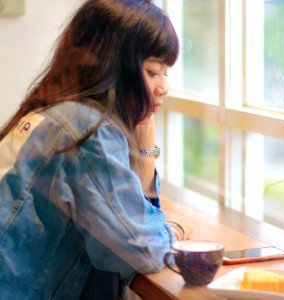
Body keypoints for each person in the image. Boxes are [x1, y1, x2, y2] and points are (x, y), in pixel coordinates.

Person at [0, 0, 191, 299]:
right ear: (114, 66)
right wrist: (174, 232)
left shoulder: (53, 112)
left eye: (165, 73)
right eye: (153, 72)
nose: (163, 87)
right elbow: (144, 250)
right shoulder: (87, 131)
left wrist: (145, 150)